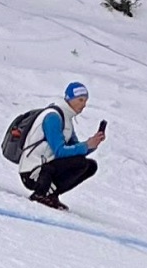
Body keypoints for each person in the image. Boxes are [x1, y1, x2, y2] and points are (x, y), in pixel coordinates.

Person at [18, 82, 104, 210]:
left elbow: (74, 149)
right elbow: (60, 151)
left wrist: (92, 144)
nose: (84, 105)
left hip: (46, 167)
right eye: (80, 100)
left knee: (90, 166)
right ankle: (41, 193)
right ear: (69, 99)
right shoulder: (53, 117)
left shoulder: (66, 119)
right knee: (80, 162)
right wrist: (86, 145)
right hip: (32, 172)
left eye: (85, 101)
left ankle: (51, 194)